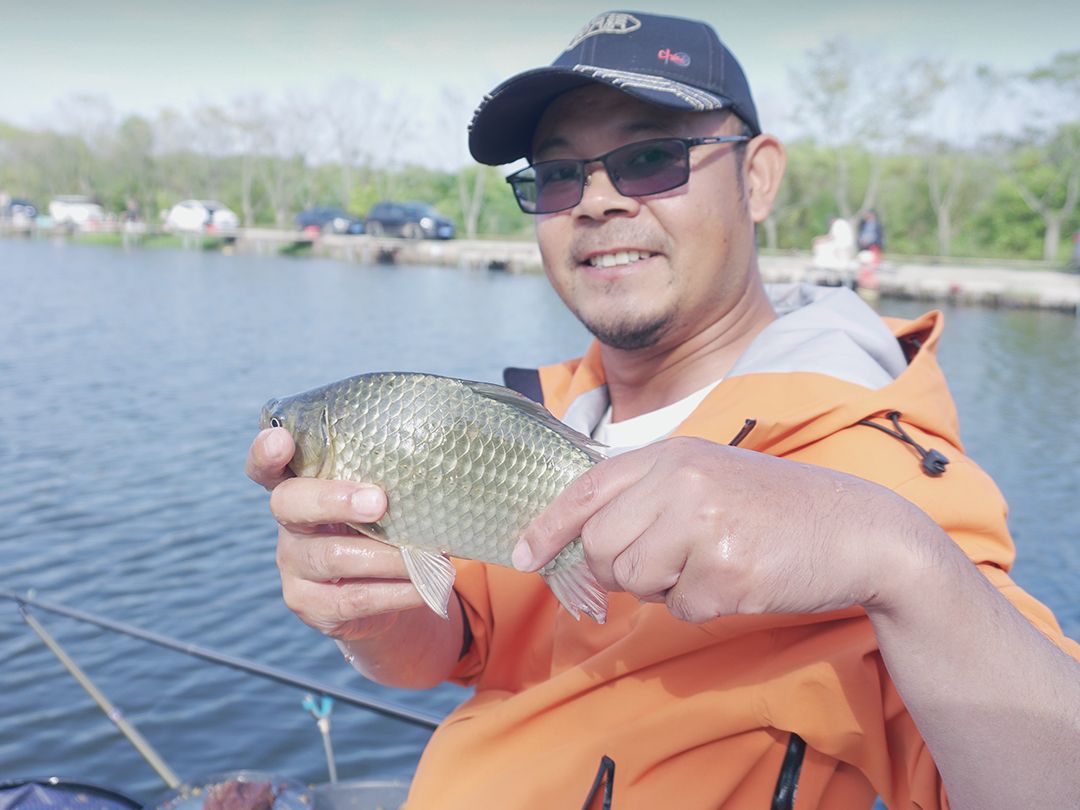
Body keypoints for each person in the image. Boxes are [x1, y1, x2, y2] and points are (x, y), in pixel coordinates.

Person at [247, 11, 1080, 809]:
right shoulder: (537, 415)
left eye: (651, 158)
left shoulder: (874, 468)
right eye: (559, 174)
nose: (598, 200)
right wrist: (363, 607)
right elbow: (464, 643)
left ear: (758, 177)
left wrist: (899, 560)